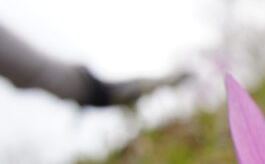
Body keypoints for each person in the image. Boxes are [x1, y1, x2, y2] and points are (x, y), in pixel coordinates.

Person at [0, 22, 186, 106]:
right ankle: (108, 91)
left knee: (50, 75)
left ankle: (113, 91)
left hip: (81, 85)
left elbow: (40, 71)